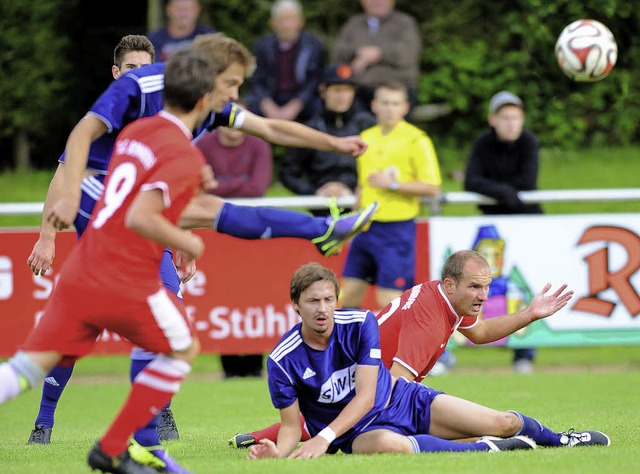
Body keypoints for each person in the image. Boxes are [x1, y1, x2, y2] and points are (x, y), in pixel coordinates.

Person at [26, 32, 376, 468]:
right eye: (232, 84)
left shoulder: (198, 109)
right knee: (158, 331)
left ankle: (141, 438)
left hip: (137, 208)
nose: (236, 94)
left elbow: (268, 128)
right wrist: (59, 216)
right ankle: (103, 433)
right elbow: (79, 144)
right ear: (210, 76)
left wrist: (335, 143)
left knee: (155, 330)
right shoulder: (143, 92)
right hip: (105, 205)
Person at [1, 47, 220, 474]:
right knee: (63, 347)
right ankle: (45, 422)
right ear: (117, 72)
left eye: (146, 68)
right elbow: (63, 177)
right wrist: (47, 236)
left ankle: (152, 423)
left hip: (147, 248)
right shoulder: (103, 122)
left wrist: (181, 238)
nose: (140, 76)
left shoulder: (163, 125)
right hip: (101, 249)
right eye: (131, 69)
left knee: (169, 329)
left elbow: (171, 196)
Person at [228, 250, 603, 448]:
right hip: (375, 394)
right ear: (450, 283)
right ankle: (550, 441)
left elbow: (483, 331)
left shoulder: (443, 299)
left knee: (324, 420)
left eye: (487, 287)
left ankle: (260, 435)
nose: (483, 296)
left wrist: (530, 314)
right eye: (475, 287)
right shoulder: (428, 319)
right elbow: (396, 386)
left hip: (359, 390)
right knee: (474, 429)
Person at [340, 81, 441, 311]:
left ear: (405, 107)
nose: (389, 109)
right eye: (385, 103)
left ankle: (433, 348)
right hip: (367, 227)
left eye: (395, 104)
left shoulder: (416, 139)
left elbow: (432, 186)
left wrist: (393, 184)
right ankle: (351, 348)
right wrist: (353, 225)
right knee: (349, 297)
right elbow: (362, 185)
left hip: (396, 230)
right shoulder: (366, 137)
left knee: (390, 300)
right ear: (374, 105)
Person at [463, 90, 543, 374]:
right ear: (492, 119)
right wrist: (506, 193)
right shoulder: (483, 144)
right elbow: (470, 182)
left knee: (525, 286)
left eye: (516, 118)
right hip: (496, 230)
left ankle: (525, 352)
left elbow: (527, 182)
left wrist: (496, 191)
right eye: (505, 117)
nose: (511, 123)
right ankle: (463, 343)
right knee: (486, 286)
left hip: (526, 225)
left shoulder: (529, 142)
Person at [195, 113, 272, 377]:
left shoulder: (258, 144)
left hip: (250, 231)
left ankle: (254, 365)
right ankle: (228, 366)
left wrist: (219, 185)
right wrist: (239, 183)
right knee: (221, 291)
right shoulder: (203, 143)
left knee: (253, 291)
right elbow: (197, 186)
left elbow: (257, 187)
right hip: (213, 231)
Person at [279, 63, 376, 213]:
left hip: (362, 207)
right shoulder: (310, 129)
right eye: (337, 90)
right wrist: (315, 192)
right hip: (321, 210)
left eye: (347, 91)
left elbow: (382, 165)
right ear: (323, 91)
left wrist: (356, 188)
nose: (342, 97)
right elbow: (288, 173)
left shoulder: (368, 125)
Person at [331, 0, 421, 114]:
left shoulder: (404, 23)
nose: (377, 2)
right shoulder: (353, 24)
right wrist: (359, 52)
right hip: (359, 92)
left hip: (395, 91)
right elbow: (337, 53)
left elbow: (406, 54)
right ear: (363, 2)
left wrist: (378, 54)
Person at [246, 0, 325, 123]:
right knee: (250, 109)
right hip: (271, 96)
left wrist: (297, 103)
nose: (286, 25)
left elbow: (314, 80)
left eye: (291, 19)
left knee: (319, 108)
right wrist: (267, 104)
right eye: (282, 20)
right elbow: (257, 80)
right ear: (273, 23)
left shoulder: (313, 46)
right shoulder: (262, 46)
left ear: (301, 21)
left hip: (301, 98)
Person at [148, 0, 216, 62]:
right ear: (168, 9)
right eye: (179, 9)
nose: (183, 14)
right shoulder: (154, 39)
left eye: (189, 9)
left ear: (198, 10)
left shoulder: (209, 38)